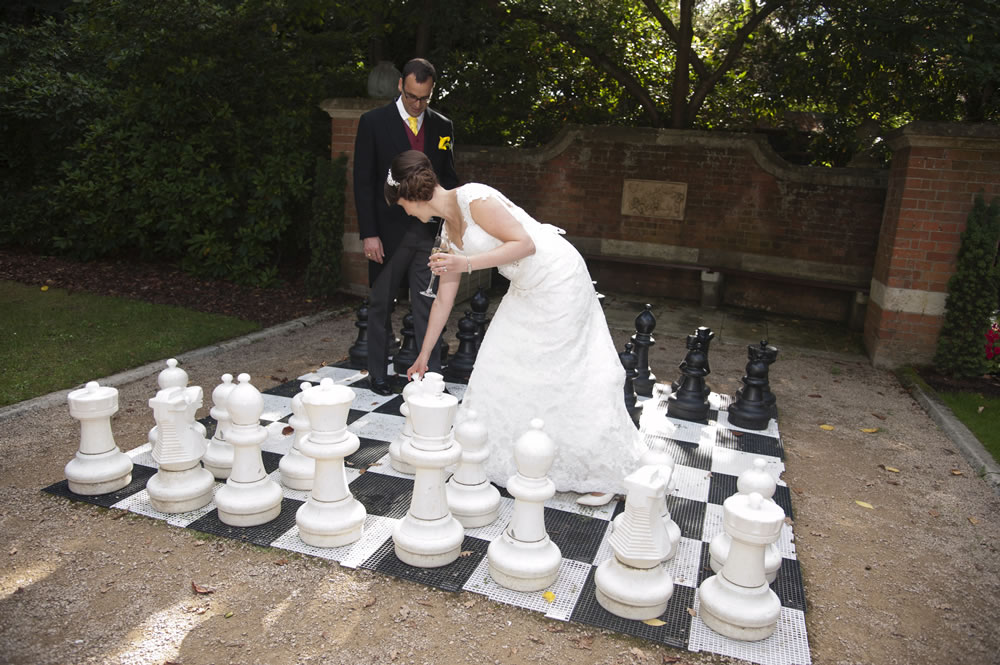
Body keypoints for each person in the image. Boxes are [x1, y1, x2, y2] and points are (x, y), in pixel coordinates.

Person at [387, 150, 646, 502]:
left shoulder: (475, 198)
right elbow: (443, 300)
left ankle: (601, 473)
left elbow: (525, 244)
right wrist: (424, 354)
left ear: (411, 194)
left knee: (565, 374)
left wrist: (465, 263)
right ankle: (508, 458)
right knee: (499, 361)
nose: (404, 212)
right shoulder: (446, 233)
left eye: (401, 204)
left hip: (557, 277)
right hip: (525, 287)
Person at [353, 58, 459, 396]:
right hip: (386, 233)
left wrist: (450, 226)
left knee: (428, 305)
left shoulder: (443, 126)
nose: (417, 104)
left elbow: (449, 179)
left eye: (424, 98)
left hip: (428, 233)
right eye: (412, 96)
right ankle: (378, 373)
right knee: (381, 305)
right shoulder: (373, 122)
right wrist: (369, 233)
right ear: (401, 85)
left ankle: (431, 377)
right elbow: (363, 182)